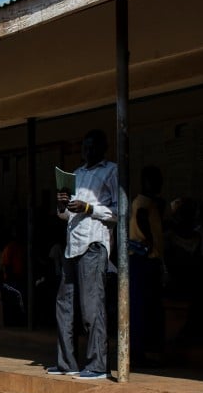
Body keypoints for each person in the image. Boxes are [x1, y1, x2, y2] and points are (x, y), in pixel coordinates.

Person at [47, 129, 118, 380]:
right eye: (84, 147)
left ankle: (98, 365)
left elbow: (119, 213)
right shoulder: (76, 174)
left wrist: (89, 208)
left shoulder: (111, 170)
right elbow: (66, 216)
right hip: (72, 246)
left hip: (94, 244)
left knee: (91, 307)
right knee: (64, 306)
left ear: (103, 148)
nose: (87, 151)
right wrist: (62, 205)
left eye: (92, 147)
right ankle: (67, 363)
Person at [128, 165, 166, 363]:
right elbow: (142, 218)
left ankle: (143, 350)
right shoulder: (143, 202)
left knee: (146, 307)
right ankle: (138, 352)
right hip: (143, 259)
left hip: (145, 260)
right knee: (142, 307)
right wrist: (150, 241)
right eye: (155, 180)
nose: (160, 184)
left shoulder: (150, 202)